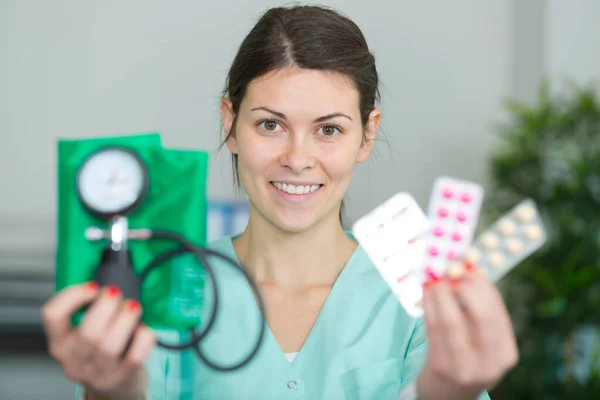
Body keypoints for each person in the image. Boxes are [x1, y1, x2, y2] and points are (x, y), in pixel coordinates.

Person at [42, 5, 518, 399]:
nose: (297, 158)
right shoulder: (167, 284)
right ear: (230, 122)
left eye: (328, 129)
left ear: (367, 134)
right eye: (270, 124)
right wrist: (110, 391)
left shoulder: (415, 300)